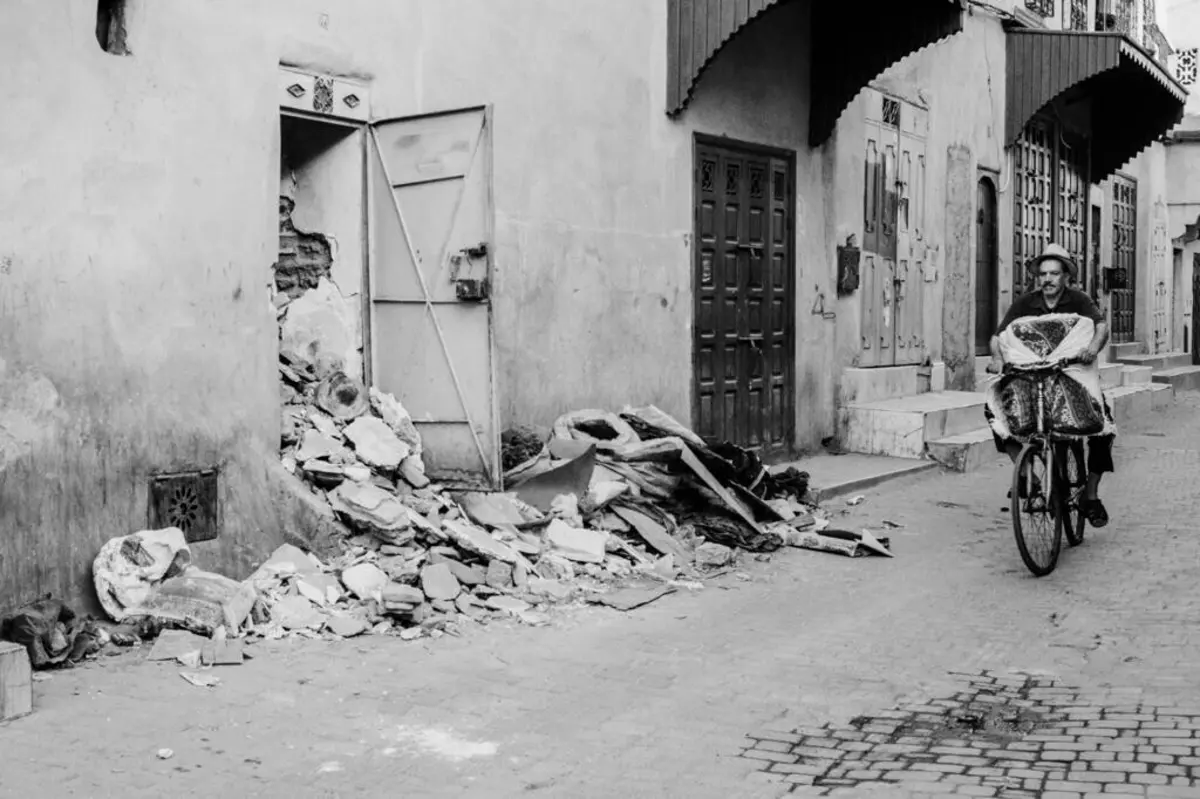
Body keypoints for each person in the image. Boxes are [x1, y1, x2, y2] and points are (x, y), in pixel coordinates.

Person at [985, 243, 1113, 528]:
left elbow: (1101, 326)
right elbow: (999, 335)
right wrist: (997, 358)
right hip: (1032, 378)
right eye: (1043, 274)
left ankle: (1090, 496)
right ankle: (1026, 474)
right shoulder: (1025, 303)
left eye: (1054, 273)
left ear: (1065, 275)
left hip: (1072, 376)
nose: (1048, 279)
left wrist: (1092, 349)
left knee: (1102, 428)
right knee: (996, 415)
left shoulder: (1078, 300)